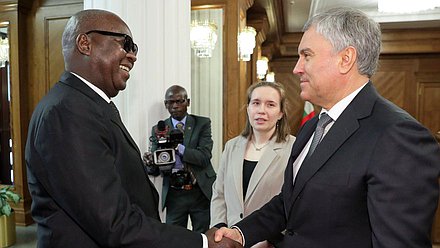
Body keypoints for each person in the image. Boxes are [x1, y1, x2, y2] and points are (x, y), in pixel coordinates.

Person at [213, 7, 440, 248]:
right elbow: (289, 202)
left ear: (345, 59)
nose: (297, 68)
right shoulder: (313, 126)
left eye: (307, 55)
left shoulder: (398, 135)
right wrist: (241, 233)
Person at [25, 9, 239, 248]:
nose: (132, 56)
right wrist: (202, 242)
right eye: (125, 43)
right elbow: (113, 223)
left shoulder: (88, 105)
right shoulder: (67, 112)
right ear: (85, 43)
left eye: (134, 47)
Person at [210, 81, 295, 248]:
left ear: (281, 113)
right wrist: (220, 230)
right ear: (248, 108)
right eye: (256, 103)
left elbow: (293, 203)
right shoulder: (231, 146)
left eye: (270, 105)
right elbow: (218, 194)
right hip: (230, 241)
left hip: (270, 242)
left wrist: (268, 239)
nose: (261, 110)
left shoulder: (294, 149)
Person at [146, 85, 216, 233]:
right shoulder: (159, 129)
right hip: (174, 194)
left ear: (188, 102)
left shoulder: (202, 123)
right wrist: (150, 163)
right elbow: (155, 169)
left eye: (179, 101)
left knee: (204, 237)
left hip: (200, 191)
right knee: (175, 238)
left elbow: (204, 157)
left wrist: (178, 147)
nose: (175, 106)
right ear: (166, 104)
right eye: (170, 102)